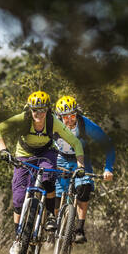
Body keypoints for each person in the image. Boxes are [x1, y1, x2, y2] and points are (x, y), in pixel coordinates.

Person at [0, 91, 85, 254]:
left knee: (48, 180)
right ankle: (18, 238)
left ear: (48, 110)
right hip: (24, 155)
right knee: (19, 199)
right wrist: (3, 150)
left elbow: (75, 142)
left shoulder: (53, 122)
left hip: (46, 153)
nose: (38, 114)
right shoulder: (23, 119)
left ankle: (49, 216)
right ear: (30, 109)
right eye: (35, 110)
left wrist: (80, 164)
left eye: (42, 110)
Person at [53, 95, 115, 243]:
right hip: (60, 158)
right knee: (54, 194)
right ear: (58, 117)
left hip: (81, 159)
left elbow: (108, 145)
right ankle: (52, 229)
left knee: (84, 187)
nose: (69, 120)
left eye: (72, 116)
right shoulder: (52, 125)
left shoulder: (85, 125)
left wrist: (108, 168)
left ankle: (79, 229)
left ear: (77, 114)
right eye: (65, 117)